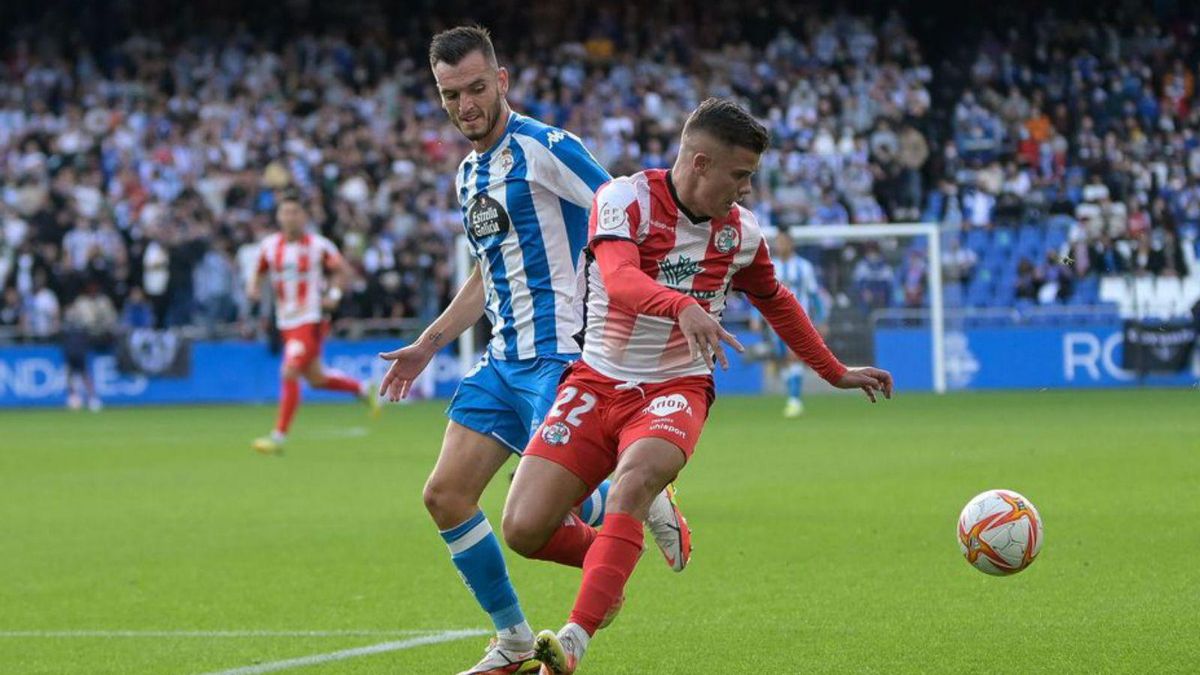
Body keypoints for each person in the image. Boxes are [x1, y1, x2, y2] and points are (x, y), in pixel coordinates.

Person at [502, 98, 893, 674]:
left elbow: (777, 302)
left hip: (676, 387)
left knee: (631, 481)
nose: (747, 192)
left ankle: (574, 642)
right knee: (523, 529)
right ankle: (612, 564)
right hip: (598, 379)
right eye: (740, 176)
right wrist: (681, 305)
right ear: (701, 162)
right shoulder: (623, 200)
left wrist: (834, 370)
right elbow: (619, 278)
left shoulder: (741, 234)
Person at [376, 26, 688, 675]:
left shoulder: (545, 147)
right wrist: (430, 344)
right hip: (501, 360)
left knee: (547, 507)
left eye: (476, 89)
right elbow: (489, 272)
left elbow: (623, 207)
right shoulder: (468, 173)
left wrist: (656, 302)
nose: (466, 105)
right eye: (450, 94)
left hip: (561, 355)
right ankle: (515, 639)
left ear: (503, 81)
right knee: (445, 495)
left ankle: (645, 495)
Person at [247, 193, 379, 454]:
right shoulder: (270, 246)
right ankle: (363, 389)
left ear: (304, 216)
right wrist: (253, 288)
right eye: (285, 212)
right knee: (316, 379)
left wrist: (334, 295)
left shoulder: (319, 246)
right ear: (278, 216)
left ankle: (278, 438)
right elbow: (259, 272)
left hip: (311, 319)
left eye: (295, 212)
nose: (290, 217)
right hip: (286, 321)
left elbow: (342, 271)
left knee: (289, 371)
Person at [761, 230, 829, 418]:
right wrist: (755, 315)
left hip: (799, 320)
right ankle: (792, 394)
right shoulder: (770, 266)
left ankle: (794, 400)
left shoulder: (804, 267)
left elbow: (814, 295)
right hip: (774, 321)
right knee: (783, 361)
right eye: (778, 242)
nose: (780, 245)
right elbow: (758, 291)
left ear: (791, 244)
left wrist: (821, 319)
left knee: (794, 357)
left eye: (784, 242)